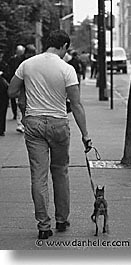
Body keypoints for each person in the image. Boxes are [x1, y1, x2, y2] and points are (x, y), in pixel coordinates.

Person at [8, 30, 92, 240]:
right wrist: (85, 135)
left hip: (34, 123)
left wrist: (26, 97)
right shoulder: (67, 69)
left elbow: (11, 91)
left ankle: (43, 225)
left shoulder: (27, 64)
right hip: (58, 123)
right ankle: (62, 220)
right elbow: (76, 104)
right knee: (60, 171)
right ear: (63, 46)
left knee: (39, 175)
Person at [4, 45, 25, 120]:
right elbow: (9, 69)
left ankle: (18, 114)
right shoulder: (12, 59)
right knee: (13, 97)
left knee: (20, 97)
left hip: (21, 79)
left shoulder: (24, 59)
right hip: (13, 78)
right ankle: (15, 113)